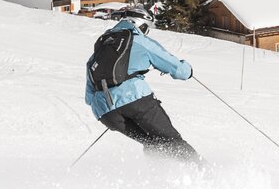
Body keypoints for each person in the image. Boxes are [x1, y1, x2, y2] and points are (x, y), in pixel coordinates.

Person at [84, 9, 202, 164]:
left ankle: (158, 179)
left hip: (105, 112)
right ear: (140, 23)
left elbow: (88, 96)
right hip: (135, 100)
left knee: (152, 143)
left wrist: (111, 103)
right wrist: (188, 71)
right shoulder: (138, 40)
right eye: (146, 27)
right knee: (171, 140)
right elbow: (177, 69)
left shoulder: (103, 44)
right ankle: (207, 174)